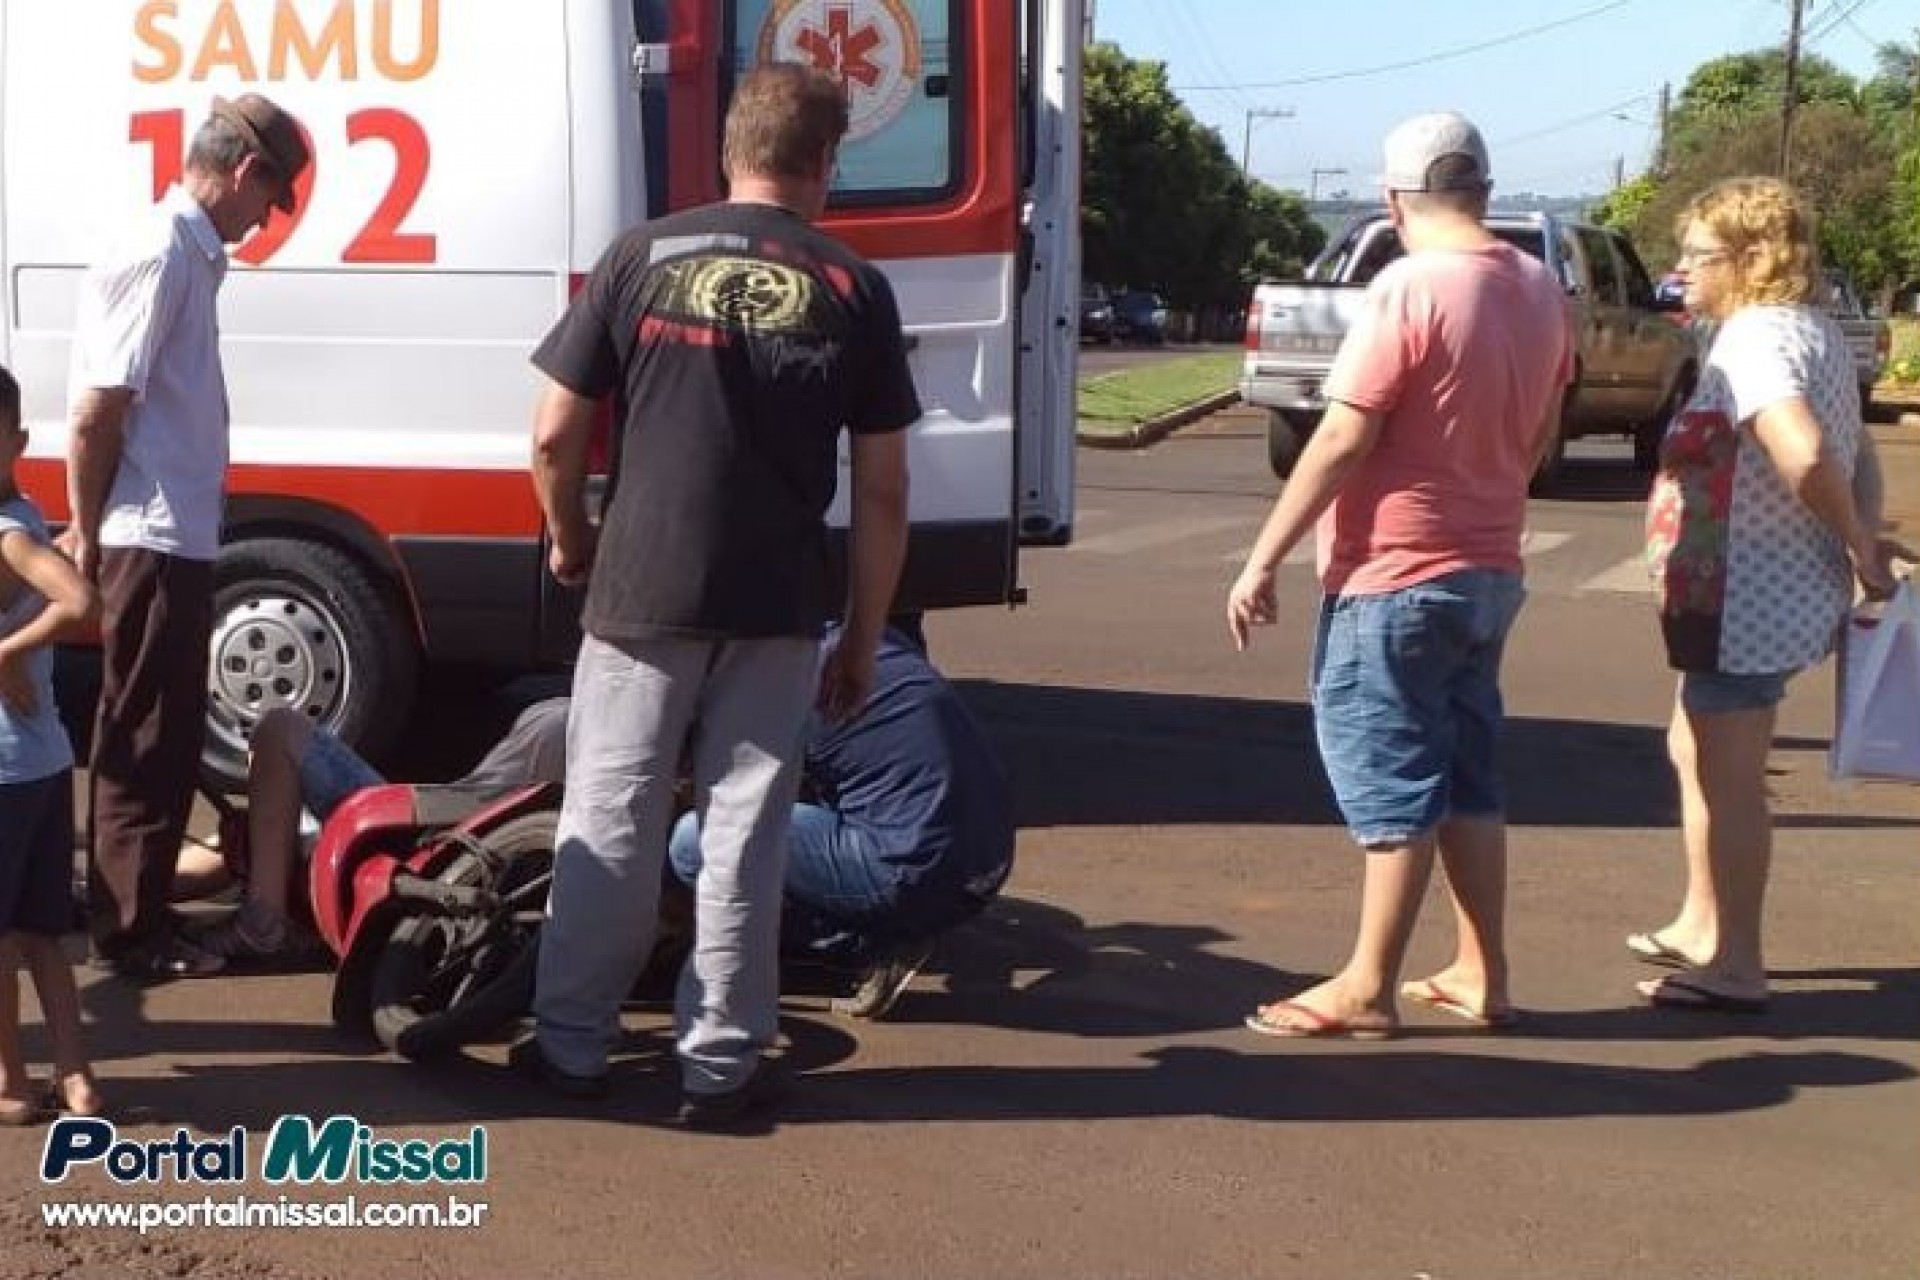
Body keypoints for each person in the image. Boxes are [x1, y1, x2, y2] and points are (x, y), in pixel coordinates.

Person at [522, 63, 916, 1123]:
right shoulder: (853, 288)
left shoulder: (637, 256)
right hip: (777, 601)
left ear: (726, 152)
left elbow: (555, 432)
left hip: (641, 581)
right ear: (825, 164)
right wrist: (865, 637)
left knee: (611, 809)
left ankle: (570, 1048)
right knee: (747, 827)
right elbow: (883, 490)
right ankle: (718, 1066)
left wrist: (572, 537)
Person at [1226, 112, 1572, 1038]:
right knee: (1467, 777)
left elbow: (1344, 432)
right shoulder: (1542, 287)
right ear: (1485, 193)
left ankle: (1367, 987)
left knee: (1390, 780)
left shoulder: (1407, 288)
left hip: (1396, 576)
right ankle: (1481, 971)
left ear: (1392, 201)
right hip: (1490, 569)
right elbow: (1542, 428)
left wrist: (1263, 557)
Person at [1633, 177, 1900, 1013]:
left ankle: (1735, 962)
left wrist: (1862, 543)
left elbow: (1806, 447)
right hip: (1763, 589)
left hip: (1743, 595)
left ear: (1753, 261)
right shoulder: (1810, 330)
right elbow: (1855, 454)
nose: (1682, 270)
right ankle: (1700, 920)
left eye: (1700, 255)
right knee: (1694, 745)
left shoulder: (1754, 339)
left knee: (1730, 777)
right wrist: (1860, 524)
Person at [65, 94, 311, 979]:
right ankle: (130, 933)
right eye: (269, 201)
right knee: (145, 728)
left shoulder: (184, 255)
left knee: (161, 733)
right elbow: (99, 408)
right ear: (247, 174)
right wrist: (88, 535)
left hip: (169, 532)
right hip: (150, 535)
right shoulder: (163, 250)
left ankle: (136, 909)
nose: (262, 222)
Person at [669, 625, 1015, 1021]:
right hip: (983, 859)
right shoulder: (865, 640)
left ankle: (863, 946)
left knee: (694, 843)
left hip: (913, 866)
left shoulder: (785, 677)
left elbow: (720, 786)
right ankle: (898, 922)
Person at [183, 699, 570, 963]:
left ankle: (262, 924)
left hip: (426, 846)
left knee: (279, 729)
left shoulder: (585, 722)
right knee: (248, 838)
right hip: (441, 839)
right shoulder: (590, 712)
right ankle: (134, 901)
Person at [0, 364, 105, 1123]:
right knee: (43, 936)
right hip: (43, 764)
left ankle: (11, 1085)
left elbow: (81, 600)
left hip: (6, 772)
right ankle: (78, 1080)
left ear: (17, 441)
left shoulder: (7, 534)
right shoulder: (27, 514)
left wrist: (4, 653)